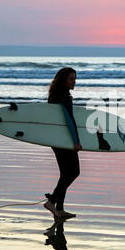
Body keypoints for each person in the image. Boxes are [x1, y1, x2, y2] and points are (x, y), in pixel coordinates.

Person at [44, 67, 82, 218]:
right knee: (73, 172)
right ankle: (52, 201)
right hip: (65, 140)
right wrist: (76, 141)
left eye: (75, 79)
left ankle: (58, 209)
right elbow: (69, 120)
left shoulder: (54, 95)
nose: (74, 82)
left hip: (56, 139)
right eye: (71, 79)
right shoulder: (65, 97)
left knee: (65, 173)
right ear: (63, 80)